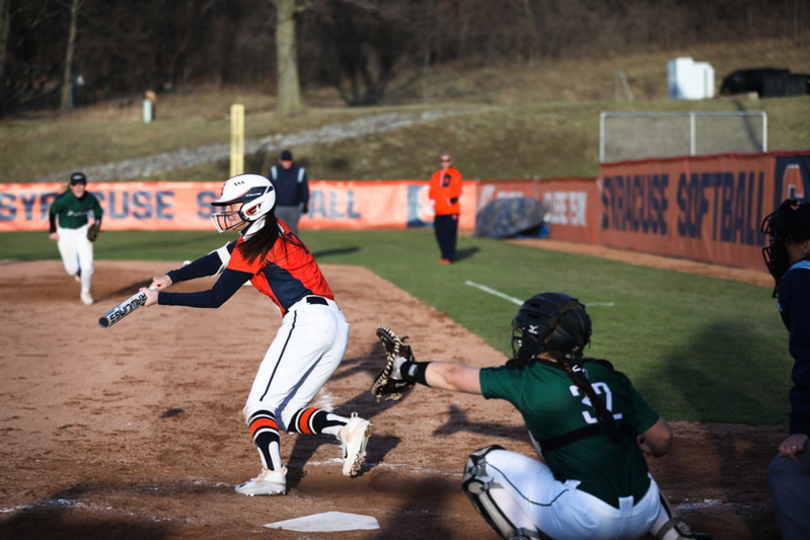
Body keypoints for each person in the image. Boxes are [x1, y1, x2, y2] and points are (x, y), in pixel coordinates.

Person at [380, 293, 703, 540]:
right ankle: (675, 533)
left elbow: (452, 375)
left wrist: (405, 369)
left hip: (586, 521)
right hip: (644, 515)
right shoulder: (609, 374)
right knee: (627, 455)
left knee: (480, 464)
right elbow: (662, 438)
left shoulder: (527, 377)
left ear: (537, 337)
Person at [139, 173, 371, 496]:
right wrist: (172, 276)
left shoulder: (254, 245)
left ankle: (273, 475)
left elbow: (214, 297)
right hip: (335, 324)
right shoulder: (270, 229)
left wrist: (161, 298)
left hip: (306, 321)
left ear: (255, 206)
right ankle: (347, 428)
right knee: (286, 413)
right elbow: (219, 258)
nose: (226, 212)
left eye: (233, 206)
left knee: (258, 406)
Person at [761, 198, 810, 540]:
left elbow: (808, 356)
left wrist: (801, 427)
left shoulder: (800, 280)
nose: (780, 250)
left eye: (787, 243)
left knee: (785, 473)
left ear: (806, 245)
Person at [48, 172, 103, 306]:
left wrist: (97, 224)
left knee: (88, 266)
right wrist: (52, 231)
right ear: (71, 186)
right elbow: (52, 212)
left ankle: (85, 293)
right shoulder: (63, 199)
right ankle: (77, 272)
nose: (79, 188)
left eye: (81, 185)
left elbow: (98, 213)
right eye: (75, 185)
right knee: (71, 269)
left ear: (85, 185)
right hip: (65, 234)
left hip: (82, 232)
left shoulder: (89, 198)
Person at [428, 152, 462, 264]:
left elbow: (457, 191)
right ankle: (444, 255)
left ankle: (448, 257)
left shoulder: (455, 174)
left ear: (450, 161)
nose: (445, 163)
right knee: (439, 234)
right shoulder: (436, 175)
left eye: (447, 160)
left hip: (451, 210)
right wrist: (433, 202)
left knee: (450, 234)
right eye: (443, 160)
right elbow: (432, 191)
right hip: (439, 211)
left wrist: (450, 201)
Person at [268, 149, 309, 235]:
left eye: (288, 161)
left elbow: (304, 189)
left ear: (292, 160)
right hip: (278, 207)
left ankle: (292, 248)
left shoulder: (299, 171)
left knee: (292, 233)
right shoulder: (274, 170)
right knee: (279, 232)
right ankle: (281, 249)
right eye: (284, 161)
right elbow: (270, 189)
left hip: (294, 207)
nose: (286, 163)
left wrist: (305, 203)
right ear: (280, 161)